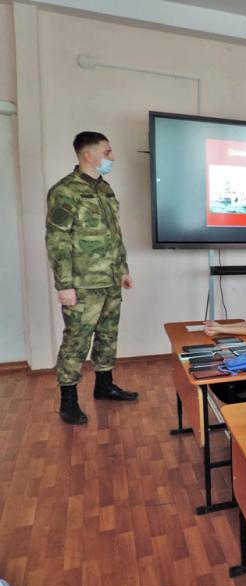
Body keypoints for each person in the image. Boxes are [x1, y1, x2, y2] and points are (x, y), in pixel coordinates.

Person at [46, 131, 138, 426]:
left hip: (109, 279)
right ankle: (68, 400)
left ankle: (104, 385)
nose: (112, 157)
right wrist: (64, 285)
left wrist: (122, 269)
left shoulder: (105, 190)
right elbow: (57, 241)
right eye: (108, 152)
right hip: (82, 283)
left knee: (108, 336)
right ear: (89, 155)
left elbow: (115, 234)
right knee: (76, 340)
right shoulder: (65, 191)